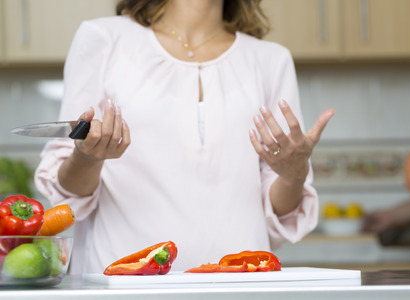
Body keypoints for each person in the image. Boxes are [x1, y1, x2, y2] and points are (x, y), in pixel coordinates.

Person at [35, 0, 334, 274]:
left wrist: (294, 177)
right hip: (125, 286)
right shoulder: (102, 39)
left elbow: (279, 210)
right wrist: (86, 158)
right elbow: (67, 194)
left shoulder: (271, 60)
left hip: (242, 284)